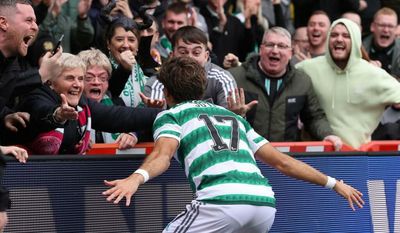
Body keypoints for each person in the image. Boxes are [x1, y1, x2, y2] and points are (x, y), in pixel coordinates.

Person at [102, 56, 364, 232]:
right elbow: (283, 162)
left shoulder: (171, 115)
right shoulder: (232, 116)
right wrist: (334, 183)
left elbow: (163, 155)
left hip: (222, 202)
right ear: (203, 86)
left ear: (167, 92)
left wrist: (135, 179)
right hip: (264, 206)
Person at [13, 53, 160, 155]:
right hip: (25, 184)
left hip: (63, 178)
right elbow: (41, 112)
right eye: (70, 78)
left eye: (80, 78)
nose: (77, 84)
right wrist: (58, 115)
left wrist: (165, 114)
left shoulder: (82, 105)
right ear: (50, 82)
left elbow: (118, 116)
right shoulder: (36, 97)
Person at [227, 27, 342, 148]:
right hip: (246, 153)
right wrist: (235, 114)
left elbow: (314, 117)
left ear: (290, 53)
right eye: (270, 45)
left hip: (285, 156)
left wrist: (327, 134)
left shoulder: (302, 81)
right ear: (261, 50)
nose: (275, 51)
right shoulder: (235, 77)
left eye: (282, 46)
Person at [0, 1, 61, 230]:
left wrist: (3, 115)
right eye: (29, 20)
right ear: (3, 23)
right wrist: (41, 75)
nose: (35, 27)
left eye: (36, 21)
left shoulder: (12, 64)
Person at [296, 18, 400, 149]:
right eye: (334, 35)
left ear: (356, 41)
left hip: (357, 158)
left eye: (346, 36)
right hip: (316, 157)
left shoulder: (374, 74)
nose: (339, 39)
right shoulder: (307, 68)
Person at [144, 26, 237, 109]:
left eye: (196, 53)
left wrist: (237, 114)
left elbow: (232, 120)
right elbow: (156, 121)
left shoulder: (222, 78)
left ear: (206, 56)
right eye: (183, 52)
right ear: (171, 55)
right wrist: (155, 112)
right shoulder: (159, 81)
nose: (190, 58)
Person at [78, 48, 138, 149]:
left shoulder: (117, 103)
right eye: (88, 78)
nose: (96, 82)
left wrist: (132, 135)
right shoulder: (69, 109)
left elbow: (139, 124)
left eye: (102, 78)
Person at [363, 7, 400, 79]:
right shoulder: (359, 48)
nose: (386, 30)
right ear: (372, 26)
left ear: (396, 29)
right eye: (382, 25)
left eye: (390, 26)